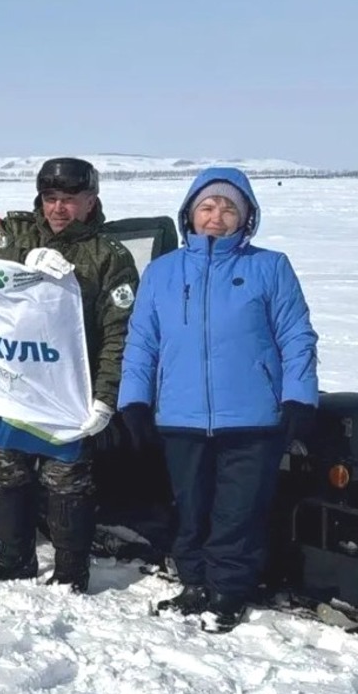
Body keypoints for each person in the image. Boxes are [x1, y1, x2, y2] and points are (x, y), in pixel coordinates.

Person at [118, 167, 319, 632]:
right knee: (189, 509)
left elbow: (297, 337)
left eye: (230, 208)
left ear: (247, 217)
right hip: (180, 415)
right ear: (189, 214)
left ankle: (228, 590)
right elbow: (142, 341)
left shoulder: (270, 267)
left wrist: (299, 397)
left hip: (253, 417)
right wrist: (135, 401)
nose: (217, 216)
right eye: (207, 207)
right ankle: (193, 583)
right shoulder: (163, 272)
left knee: (238, 512)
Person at [0, 157, 140, 591]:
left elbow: (119, 334)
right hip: (11, 381)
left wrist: (105, 396)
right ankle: (15, 556)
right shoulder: (13, 235)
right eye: (50, 198)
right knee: (3, 470)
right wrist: (19, 265)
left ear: (90, 201)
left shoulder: (109, 255)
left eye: (69, 199)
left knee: (65, 477)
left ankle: (70, 569)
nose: (58, 208)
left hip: (69, 388)